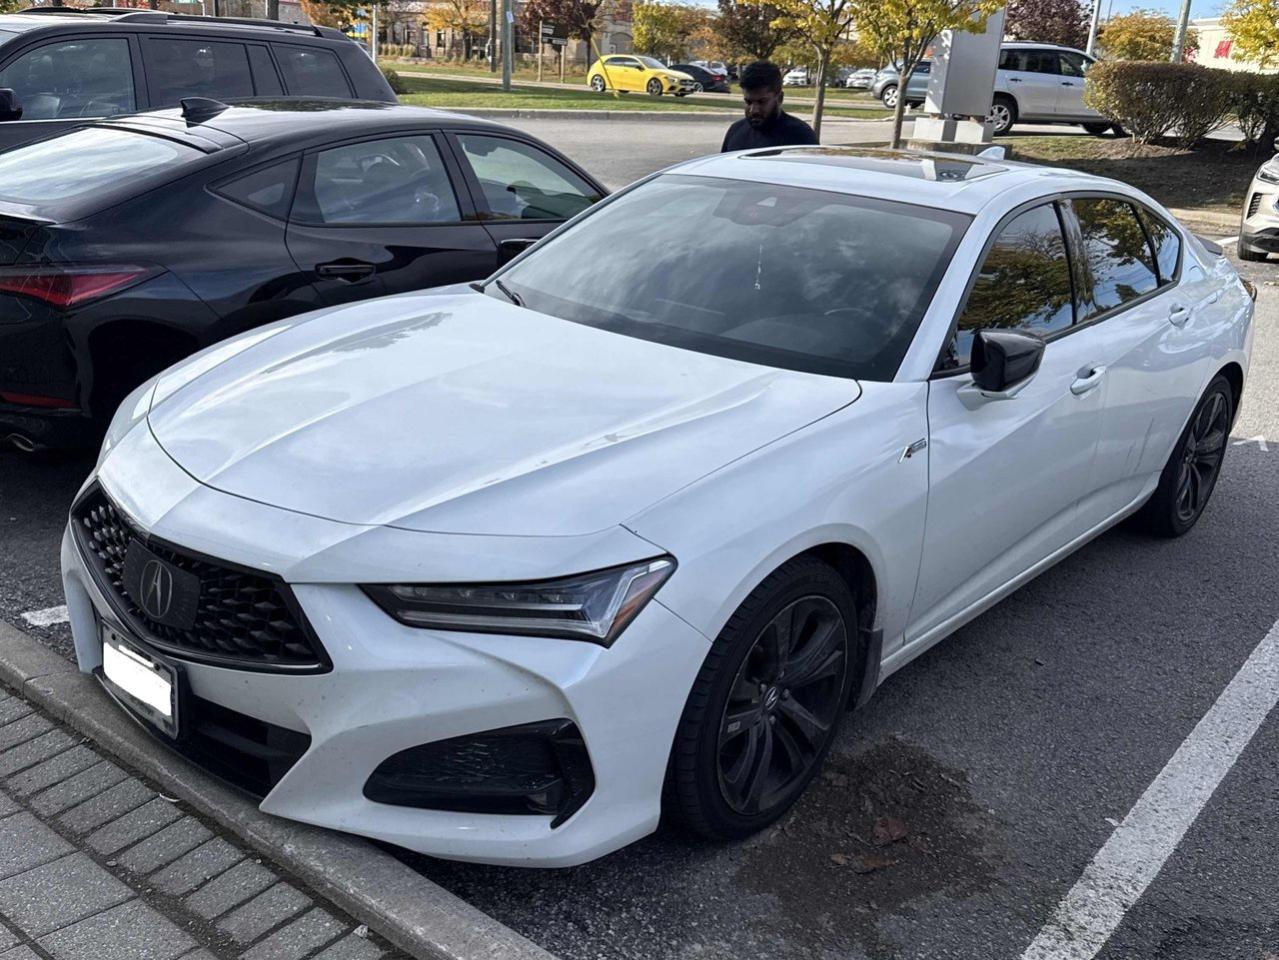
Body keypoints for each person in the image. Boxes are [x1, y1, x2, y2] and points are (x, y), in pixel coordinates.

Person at [720, 61, 819, 152]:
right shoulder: (736, 132)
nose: (754, 110)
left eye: (762, 102)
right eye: (748, 102)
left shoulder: (801, 137)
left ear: (780, 98)